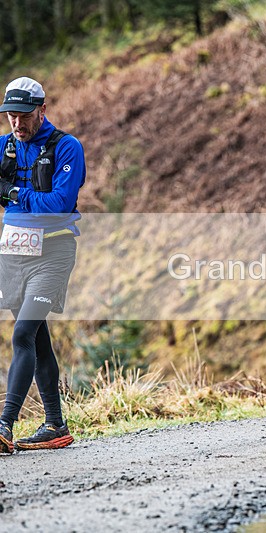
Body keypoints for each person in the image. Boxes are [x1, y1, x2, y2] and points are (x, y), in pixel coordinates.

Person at [0, 77, 86, 453]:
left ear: (42, 110)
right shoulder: (4, 146)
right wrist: (32, 198)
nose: (16, 125)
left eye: (23, 116)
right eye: (10, 117)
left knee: (21, 334)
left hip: (53, 254)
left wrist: (16, 193)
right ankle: (55, 425)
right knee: (36, 338)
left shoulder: (66, 147)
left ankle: (4, 424)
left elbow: (60, 204)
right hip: (14, 255)